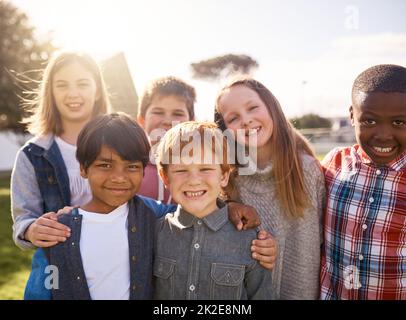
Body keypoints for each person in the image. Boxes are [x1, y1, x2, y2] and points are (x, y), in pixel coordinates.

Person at [214, 76, 325, 299]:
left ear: (271, 107)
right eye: (233, 118)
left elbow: (323, 241)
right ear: (225, 129)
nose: (246, 120)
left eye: (252, 107)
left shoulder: (307, 169)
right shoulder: (228, 177)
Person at [154, 121, 273, 299]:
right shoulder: (156, 233)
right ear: (165, 178)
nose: (194, 180)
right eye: (181, 170)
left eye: (205, 168)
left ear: (224, 176)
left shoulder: (251, 241)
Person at [320, 64, 406, 300]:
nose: (383, 134)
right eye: (369, 121)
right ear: (352, 116)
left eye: (399, 123)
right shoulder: (334, 163)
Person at [48, 112, 155, 299]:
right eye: (105, 165)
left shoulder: (153, 216)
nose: (119, 178)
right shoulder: (58, 230)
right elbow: (40, 291)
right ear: (83, 168)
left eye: (132, 167)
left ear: (143, 171)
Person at [137, 76, 196, 203]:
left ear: (192, 122)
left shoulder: (202, 165)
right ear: (142, 119)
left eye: (178, 114)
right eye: (158, 112)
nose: (168, 121)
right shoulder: (129, 163)